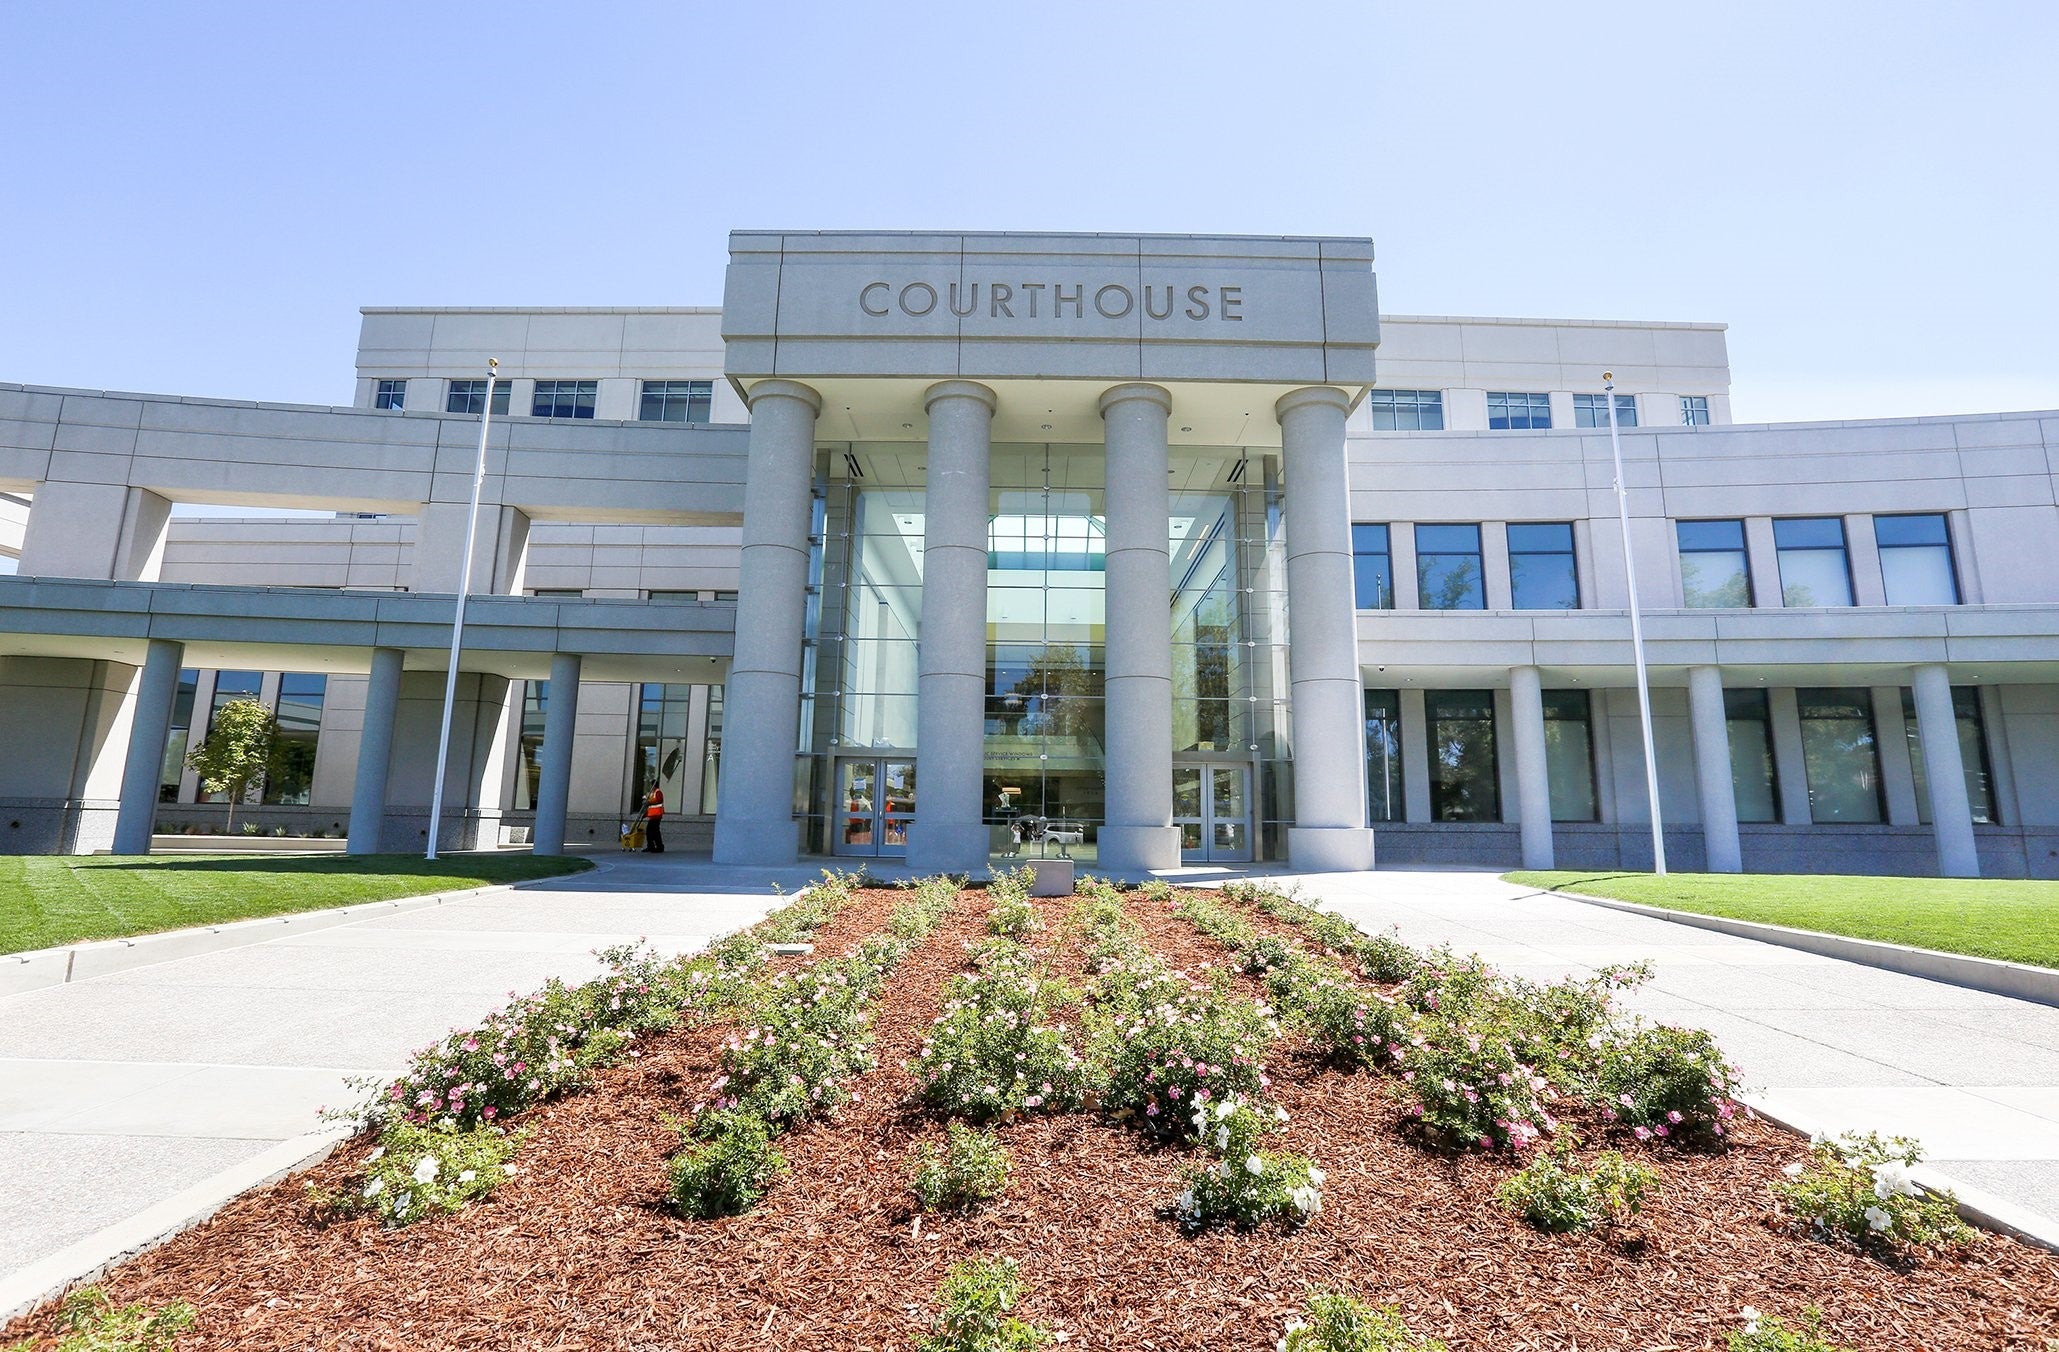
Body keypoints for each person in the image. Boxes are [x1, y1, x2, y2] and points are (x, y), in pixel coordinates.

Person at [641, 783, 665, 853]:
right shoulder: (652, 793)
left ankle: (658, 847)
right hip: (653, 815)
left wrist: (649, 802)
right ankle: (651, 846)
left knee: (654, 832)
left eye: (651, 786)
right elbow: (650, 807)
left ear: (653, 786)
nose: (651, 787)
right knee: (651, 832)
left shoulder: (658, 792)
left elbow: (659, 801)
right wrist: (646, 814)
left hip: (657, 815)